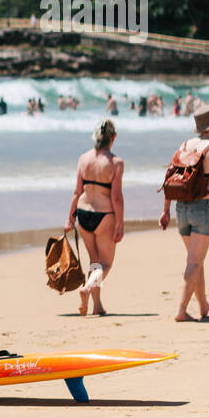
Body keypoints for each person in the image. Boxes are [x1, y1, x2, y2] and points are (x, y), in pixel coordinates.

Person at [159, 103, 209, 321]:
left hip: (181, 208)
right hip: (204, 208)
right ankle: (181, 310)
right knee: (194, 261)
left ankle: (203, 305)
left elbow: (169, 179)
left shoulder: (183, 146)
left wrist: (165, 211)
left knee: (196, 259)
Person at [64, 119, 125, 315]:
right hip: (104, 214)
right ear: (113, 138)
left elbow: (76, 191)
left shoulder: (83, 159)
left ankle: (97, 306)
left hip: (83, 213)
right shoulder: (116, 163)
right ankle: (87, 289)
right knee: (105, 264)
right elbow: (116, 197)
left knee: (95, 261)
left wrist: (70, 218)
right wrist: (121, 224)